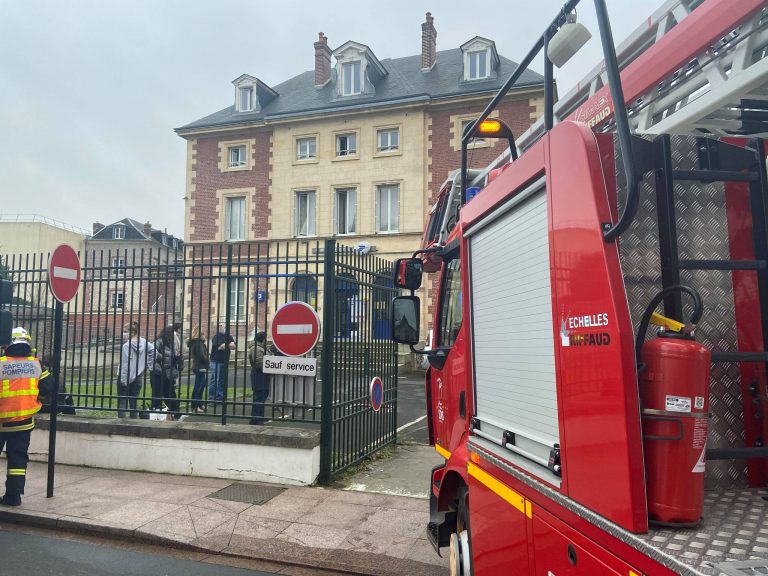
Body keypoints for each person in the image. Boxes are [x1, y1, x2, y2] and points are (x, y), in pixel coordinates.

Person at [0, 327, 50, 506]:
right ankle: (13, 497)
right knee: (17, 462)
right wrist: (36, 399)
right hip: (24, 423)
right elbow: (49, 388)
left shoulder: (1, 362)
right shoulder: (36, 364)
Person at [118, 321, 155, 419]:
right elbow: (154, 352)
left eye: (125, 331)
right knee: (133, 400)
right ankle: (134, 420)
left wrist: (123, 380)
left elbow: (125, 365)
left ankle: (121, 422)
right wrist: (149, 365)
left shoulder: (126, 346)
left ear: (132, 333)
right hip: (138, 375)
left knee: (122, 401)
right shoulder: (143, 342)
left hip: (126, 376)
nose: (123, 334)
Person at [151, 325, 180, 419]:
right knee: (157, 394)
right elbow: (152, 352)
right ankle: (156, 413)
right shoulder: (159, 342)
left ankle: (174, 413)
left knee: (170, 393)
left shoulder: (171, 343)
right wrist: (161, 357)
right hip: (158, 372)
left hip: (168, 372)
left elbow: (174, 355)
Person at [208, 324, 235, 404]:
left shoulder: (229, 336)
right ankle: (212, 399)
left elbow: (234, 347)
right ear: (221, 328)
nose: (227, 329)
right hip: (215, 361)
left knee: (222, 380)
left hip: (224, 361)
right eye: (225, 327)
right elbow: (218, 346)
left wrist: (224, 346)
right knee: (214, 379)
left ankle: (220, 398)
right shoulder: (216, 336)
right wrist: (229, 345)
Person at [248, 331, 270, 425]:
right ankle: (255, 419)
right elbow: (259, 362)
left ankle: (259, 417)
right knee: (258, 397)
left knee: (262, 396)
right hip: (258, 375)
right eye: (266, 338)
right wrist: (270, 367)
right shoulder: (256, 348)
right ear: (263, 339)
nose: (267, 340)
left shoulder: (261, 348)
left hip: (263, 375)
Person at [186, 325, 209, 413]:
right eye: (204, 333)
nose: (205, 335)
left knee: (202, 385)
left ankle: (199, 404)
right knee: (198, 387)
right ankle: (195, 406)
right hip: (200, 366)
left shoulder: (198, 342)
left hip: (199, 366)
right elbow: (202, 356)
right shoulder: (198, 343)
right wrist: (208, 361)